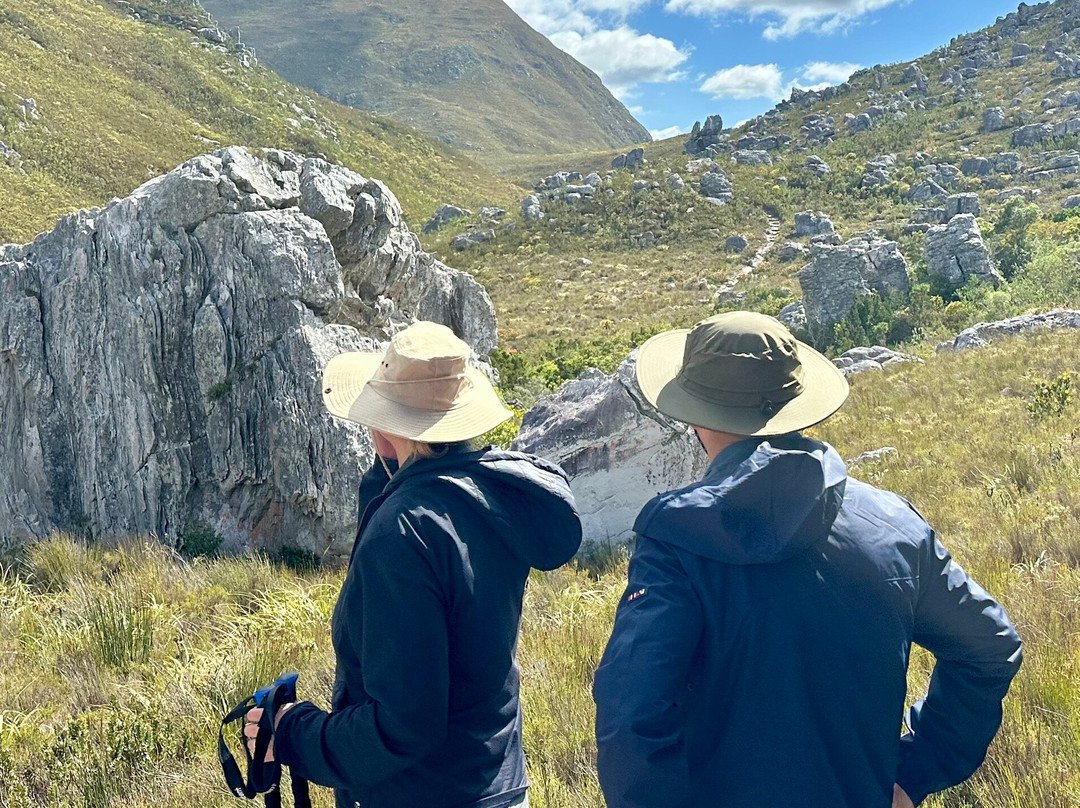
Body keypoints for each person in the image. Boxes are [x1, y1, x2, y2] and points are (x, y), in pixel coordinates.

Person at [593, 311, 1022, 808]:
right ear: (798, 403)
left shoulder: (677, 539)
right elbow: (990, 645)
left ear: (695, 415)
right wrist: (918, 769)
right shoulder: (895, 525)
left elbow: (632, 713)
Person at [245, 320, 583, 808]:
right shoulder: (489, 499)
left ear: (384, 428)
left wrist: (294, 732)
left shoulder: (403, 533)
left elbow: (404, 726)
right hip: (497, 787)